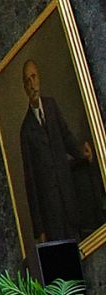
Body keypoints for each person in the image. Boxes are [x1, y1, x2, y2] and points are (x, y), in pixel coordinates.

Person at [18, 59, 102, 248]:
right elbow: (30, 181)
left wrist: (82, 153)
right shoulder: (26, 131)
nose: (32, 85)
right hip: (51, 212)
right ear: (24, 87)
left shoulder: (51, 106)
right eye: (27, 81)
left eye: (34, 77)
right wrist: (39, 229)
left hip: (69, 195)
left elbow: (66, 137)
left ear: (39, 78)